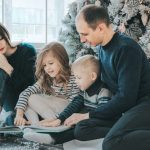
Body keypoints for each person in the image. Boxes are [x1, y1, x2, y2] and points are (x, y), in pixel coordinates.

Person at [73, 4, 150, 150]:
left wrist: (89, 115)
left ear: (101, 28)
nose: (82, 40)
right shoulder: (102, 48)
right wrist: (67, 117)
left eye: (85, 34)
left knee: (110, 143)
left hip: (144, 105)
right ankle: (126, 133)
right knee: (81, 128)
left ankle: (120, 135)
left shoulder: (126, 49)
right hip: (126, 109)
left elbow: (126, 98)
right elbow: (102, 86)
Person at [23, 54, 113, 144]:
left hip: (102, 120)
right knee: (70, 121)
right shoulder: (85, 89)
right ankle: (49, 137)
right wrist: (60, 119)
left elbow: (102, 114)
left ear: (92, 76)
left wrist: (81, 119)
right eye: (75, 77)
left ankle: (114, 133)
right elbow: (75, 104)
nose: (75, 81)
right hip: (90, 119)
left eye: (79, 78)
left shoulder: (103, 91)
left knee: (80, 128)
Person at [14, 42, 79, 126]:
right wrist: (19, 115)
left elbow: (74, 103)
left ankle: (43, 123)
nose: (47, 68)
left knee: (32, 98)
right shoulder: (46, 78)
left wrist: (59, 117)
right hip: (52, 113)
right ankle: (36, 126)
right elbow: (25, 93)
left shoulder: (74, 75)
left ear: (62, 60)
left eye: (51, 63)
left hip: (67, 112)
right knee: (27, 99)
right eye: (44, 65)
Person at [0, 23, 36, 122]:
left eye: (0, 39)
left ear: (6, 35)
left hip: (28, 100)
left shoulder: (27, 50)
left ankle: (11, 119)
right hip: (9, 105)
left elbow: (28, 85)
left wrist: (6, 66)